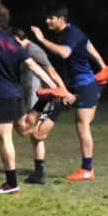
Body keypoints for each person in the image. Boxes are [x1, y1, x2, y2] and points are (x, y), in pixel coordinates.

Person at [0, 1, 68, 194]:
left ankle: (11, 184)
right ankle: (43, 101)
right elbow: (33, 65)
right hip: (16, 94)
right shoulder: (11, 41)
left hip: (0, 94)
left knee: (5, 139)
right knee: (24, 129)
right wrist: (52, 86)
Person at [30, 5, 108, 181]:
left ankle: (87, 169)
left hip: (84, 85)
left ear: (61, 19)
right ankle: (40, 133)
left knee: (82, 125)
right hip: (77, 86)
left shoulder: (70, 34)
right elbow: (89, 47)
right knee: (80, 123)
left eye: (50, 17)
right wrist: (103, 67)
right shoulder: (73, 32)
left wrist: (42, 39)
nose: (47, 21)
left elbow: (65, 53)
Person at [10, 28, 75, 184]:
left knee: (35, 134)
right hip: (30, 95)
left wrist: (62, 91)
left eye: (12, 42)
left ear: (18, 39)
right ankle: (39, 174)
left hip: (38, 96)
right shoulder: (22, 51)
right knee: (35, 136)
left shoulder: (33, 50)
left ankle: (57, 109)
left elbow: (51, 71)